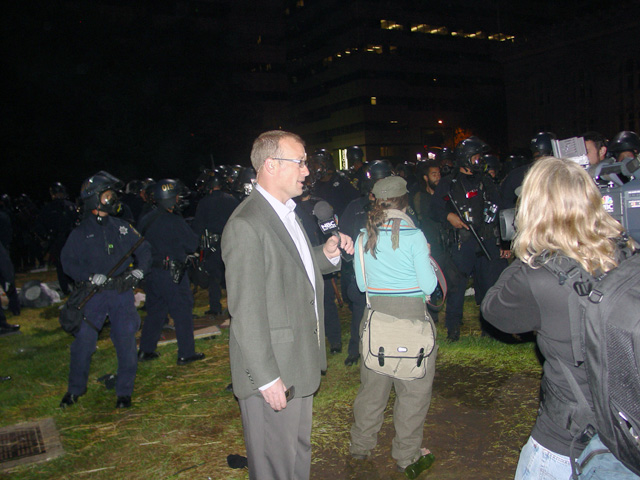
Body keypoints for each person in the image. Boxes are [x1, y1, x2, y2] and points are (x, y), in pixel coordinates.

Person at [481, 156, 638, 479]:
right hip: (627, 428)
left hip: (567, 438)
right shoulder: (626, 252)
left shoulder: (537, 276)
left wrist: (526, 250)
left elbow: (493, 311)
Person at [221, 130, 354, 480]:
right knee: (274, 467)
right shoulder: (247, 224)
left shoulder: (287, 213)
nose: (307, 171)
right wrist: (266, 378)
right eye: (300, 162)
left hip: (297, 359)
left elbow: (290, 266)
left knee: (296, 455)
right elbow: (245, 311)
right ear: (271, 165)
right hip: (274, 370)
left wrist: (324, 255)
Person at [349, 175, 437, 473]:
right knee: (413, 393)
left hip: (375, 319)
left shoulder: (363, 237)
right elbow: (428, 284)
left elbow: (362, 286)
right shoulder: (415, 236)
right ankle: (407, 455)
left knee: (372, 389)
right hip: (412, 317)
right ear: (404, 201)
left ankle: (361, 447)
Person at [59, 171, 151, 409]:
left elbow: (144, 250)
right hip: (93, 297)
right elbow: (68, 262)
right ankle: (75, 390)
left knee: (126, 343)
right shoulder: (80, 233)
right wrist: (88, 277)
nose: (112, 199)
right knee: (83, 345)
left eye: (112, 195)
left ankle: (124, 392)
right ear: (94, 198)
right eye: (107, 195)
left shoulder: (122, 227)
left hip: (120, 294)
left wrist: (139, 271)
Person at [431, 136, 509, 341]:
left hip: (486, 240)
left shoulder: (486, 181)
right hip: (462, 242)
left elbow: (499, 208)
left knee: (488, 286)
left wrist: (503, 241)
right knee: (457, 287)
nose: (479, 160)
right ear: (465, 159)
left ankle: (490, 328)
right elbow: (435, 208)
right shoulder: (449, 183)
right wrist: (449, 217)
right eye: (476, 157)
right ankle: (453, 329)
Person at [137, 179, 205, 365]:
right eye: (176, 197)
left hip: (152, 272)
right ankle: (186, 353)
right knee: (182, 312)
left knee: (156, 312)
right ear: (170, 199)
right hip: (173, 274)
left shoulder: (146, 218)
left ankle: (146, 349)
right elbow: (192, 244)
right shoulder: (174, 221)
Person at [191, 168, 239, 316]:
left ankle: (215, 308)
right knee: (233, 276)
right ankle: (236, 307)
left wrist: (195, 246)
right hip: (231, 243)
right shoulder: (232, 199)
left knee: (214, 278)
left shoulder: (205, 202)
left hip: (212, 246)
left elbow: (198, 226)